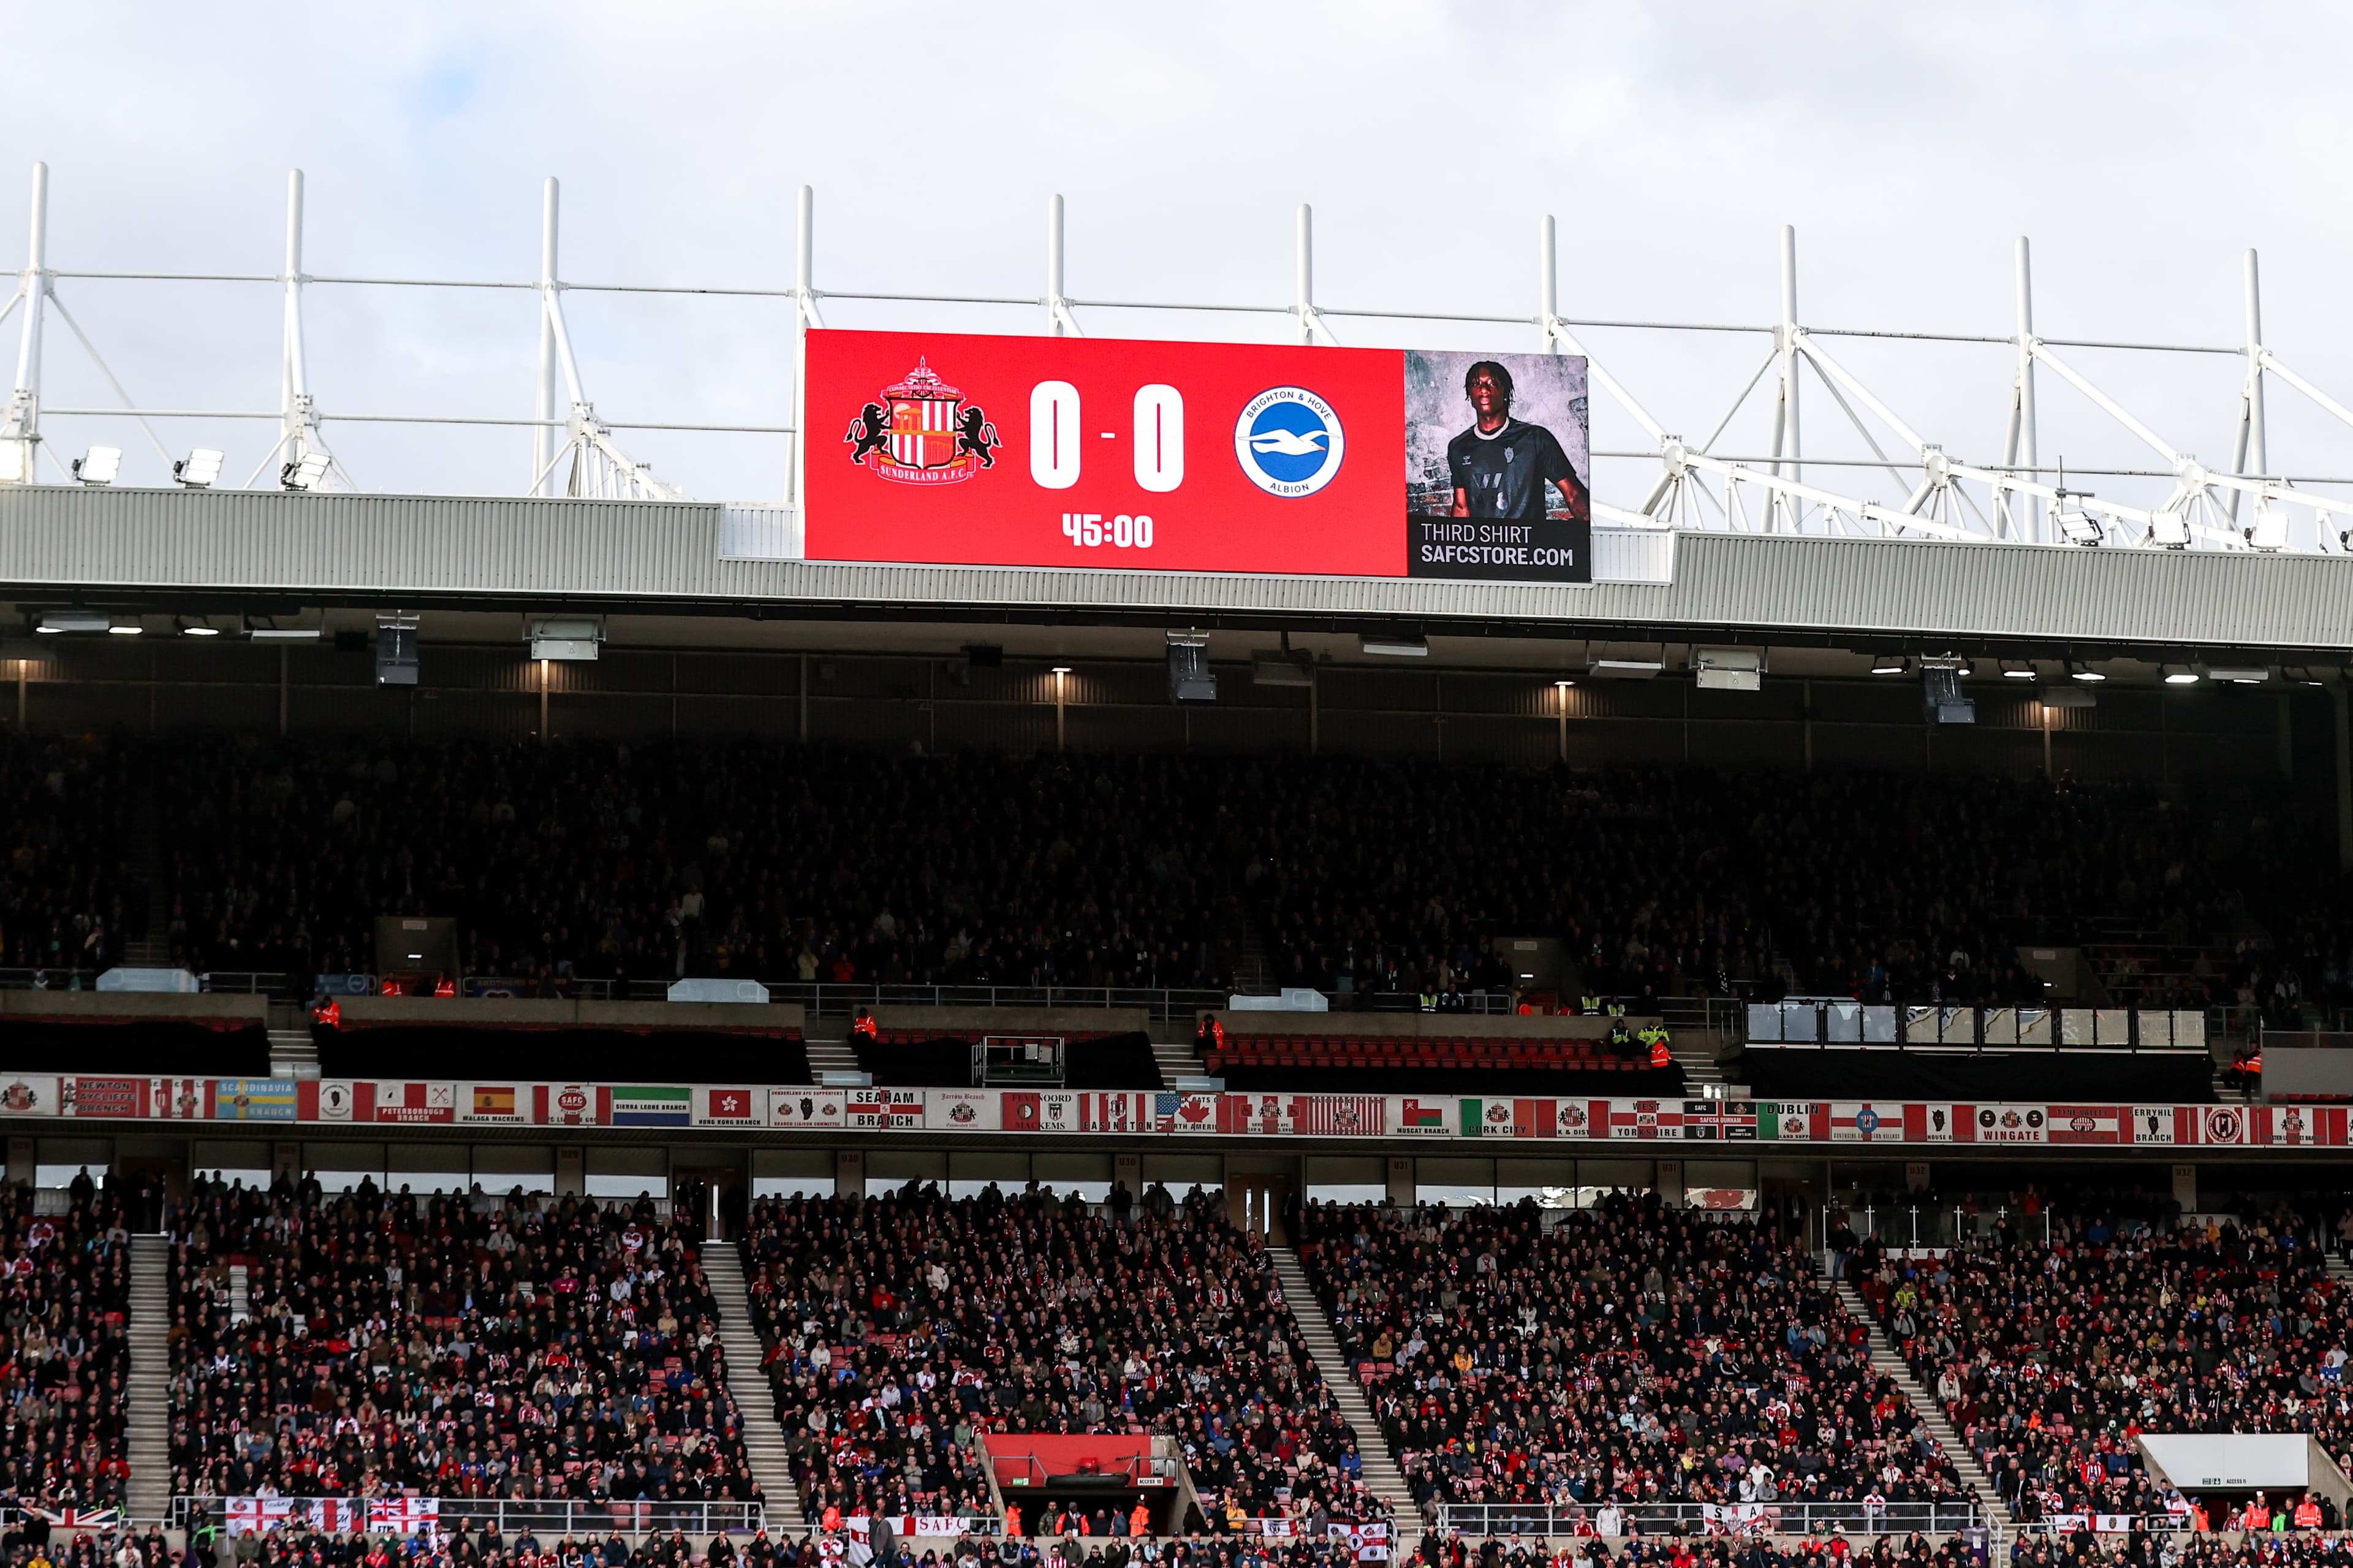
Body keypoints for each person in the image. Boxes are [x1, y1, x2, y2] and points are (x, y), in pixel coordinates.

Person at [1444, 360, 1589, 522]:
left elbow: (1573, 495)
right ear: (1470, 395)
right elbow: (1461, 507)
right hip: (1483, 546)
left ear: (1505, 392)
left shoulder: (1535, 438)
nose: (1484, 390)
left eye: (1492, 383)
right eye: (1476, 384)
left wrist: (1588, 535)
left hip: (1528, 545)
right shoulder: (1459, 447)